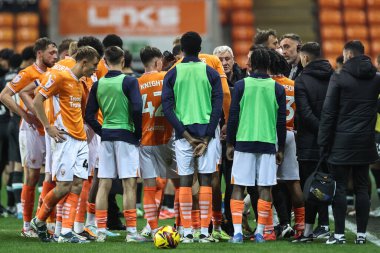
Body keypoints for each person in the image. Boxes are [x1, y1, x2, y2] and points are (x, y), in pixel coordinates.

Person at [31, 46, 100, 243]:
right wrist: (48, 127)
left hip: (80, 140)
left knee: (78, 184)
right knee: (63, 186)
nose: (95, 69)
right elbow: (37, 100)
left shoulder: (79, 83)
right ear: (84, 62)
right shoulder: (61, 78)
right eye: (94, 65)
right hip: (64, 139)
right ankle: (40, 219)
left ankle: (67, 231)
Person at [162, 31, 223, 243]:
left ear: (183, 49)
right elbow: (217, 109)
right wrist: (206, 138)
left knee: (185, 180)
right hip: (207, 134)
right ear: (200, 49)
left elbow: (168, 109)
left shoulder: (172, 72)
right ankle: (205, 232)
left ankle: (187, 231)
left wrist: (187, 137)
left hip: (183, 135)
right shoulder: (211, 72)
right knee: (206, 180)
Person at [318, 40, 380, 244]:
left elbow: (328, 113)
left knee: (340, 187)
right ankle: (361, 236)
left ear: (349, 56)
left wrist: (323, 143)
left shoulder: (339, 78)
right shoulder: (376, 78)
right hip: (366, 141)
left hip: (341, 142)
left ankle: (339, 235)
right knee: (363, 187)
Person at [85, 46, 145, 242]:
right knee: (129, 184)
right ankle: (131, 233)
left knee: (104, 184)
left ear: (104, 61)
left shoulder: (98, 83)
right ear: (123, 60)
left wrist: (103, 131)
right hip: (126, 136)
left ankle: (100, 232)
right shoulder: (129, 81)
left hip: (107, 137)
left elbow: (89, 115)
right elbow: (137, 107)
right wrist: (137, 131)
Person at [226, 47, 286, 243]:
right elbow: (280, 122)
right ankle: (260, 232)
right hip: (268, 143)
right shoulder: (277, 88)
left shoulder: (241, 85)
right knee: (265, 188)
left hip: (244, 142)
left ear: (251, 65)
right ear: (269, 65)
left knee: (238, 187)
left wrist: (229, 144)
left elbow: (233, 116)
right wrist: (281, 148)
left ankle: (236, 233)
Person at [0, 38, 58, 238]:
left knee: (52, 176)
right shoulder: (27, 73)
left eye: (56, 52)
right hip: (32, 130)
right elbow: (4, 95)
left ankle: (45, 222)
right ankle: (26, 225)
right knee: (32, 177)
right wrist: (23, 114)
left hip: (51, 130)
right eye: (51, 52)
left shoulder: (55, 71)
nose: (55, 56)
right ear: (39, 54)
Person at [293, 42, 333, 242]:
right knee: (329, 183)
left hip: (310, 141)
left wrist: (321, 131)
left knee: (310, 186)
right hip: (332, 140)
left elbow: (305, 114)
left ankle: (308, 231)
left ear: (306, 58)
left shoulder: (301, 80)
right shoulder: (335, 76)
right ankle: (326, 225)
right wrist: (328, 132)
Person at [137, 46, 178, 238]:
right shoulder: (166, 78)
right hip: (168, 136)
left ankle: (152, 227)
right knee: (182, 182)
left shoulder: (136, 83)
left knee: (150, 185)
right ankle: (187, 225)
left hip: (145, 139)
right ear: (157, 62)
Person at [267, 49, 305, 241]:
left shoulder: (269, 85)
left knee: (267, 183)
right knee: (293, 181)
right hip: (291, 134)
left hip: (271, 135)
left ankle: (272, 226)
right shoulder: (293, 85)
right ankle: (300, 226)